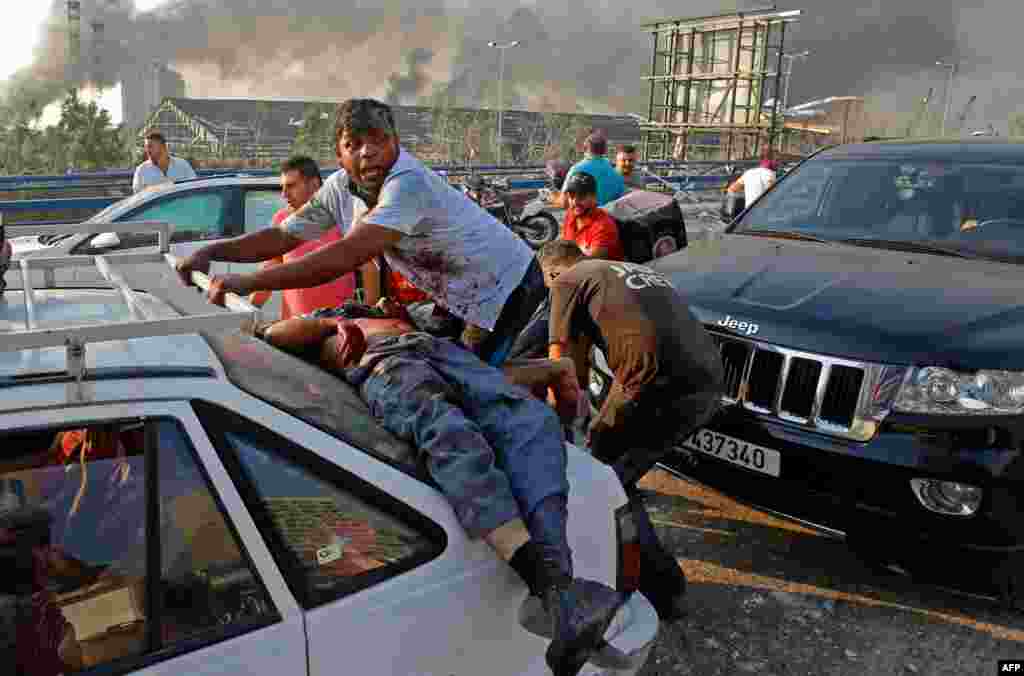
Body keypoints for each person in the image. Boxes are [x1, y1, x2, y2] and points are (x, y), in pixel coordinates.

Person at [259, 301, 625, 676]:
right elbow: (274, 333)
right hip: (387, 363)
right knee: (452, 439)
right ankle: (552, 590)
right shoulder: (329, 321)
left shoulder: (397, 315)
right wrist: (333, 324)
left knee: (534, 422)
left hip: (444, 356)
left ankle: (563, 597)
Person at [175, 98, 545, 367]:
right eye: (354, 145)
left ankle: (551, 375)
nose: (368, 152)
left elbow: (346, 254)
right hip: (457, 289)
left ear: (396, 144)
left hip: (504, 284)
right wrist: (211, 252)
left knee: (474, 380)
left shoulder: (406, 184)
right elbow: (282, 237)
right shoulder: (339, 187)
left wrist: (247, 282)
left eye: (379, 140)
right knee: (447, 364)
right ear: (339, 156)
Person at [538, 240, 725, 622]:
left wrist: (559, 431)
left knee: (603, 480)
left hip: (654, 385)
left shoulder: (566, 280)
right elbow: (581, 364)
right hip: (708, 385)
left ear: (553, 271)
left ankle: (662, 588)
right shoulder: (628, 270)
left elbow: (561, 367)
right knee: (621, 467)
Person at [248, 156, 358, 320]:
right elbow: (272, 267)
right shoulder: (281, 220)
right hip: (295, 326)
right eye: (282, 187)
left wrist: (368, 315)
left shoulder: (343, 215)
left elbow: (368, 266)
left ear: (314, 184)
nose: (284, 194)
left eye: (291, 186)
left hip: (339, 325)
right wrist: (249, 311)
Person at [560, 172, 624, 261]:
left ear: (594, 197)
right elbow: (563, 248)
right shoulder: (570, 214)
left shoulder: (603, 226)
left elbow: (590, 263)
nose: (575, 202)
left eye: (581, 196)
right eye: (571, 196)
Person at [555, 131, 625, 208]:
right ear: (605, 150)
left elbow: (564, 203)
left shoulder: (577, 169)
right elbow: (620, 204)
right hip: (608, 215)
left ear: (584, 148)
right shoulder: (617, 174)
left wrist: (552, 198)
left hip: (585, 215)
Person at [132, 130, 197, 193]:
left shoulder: (183, 165)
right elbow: (138, 195)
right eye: (146, 147)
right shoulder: (141, 171)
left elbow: (194, 187)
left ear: (164, 147)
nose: (147, 150)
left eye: (150, 146)